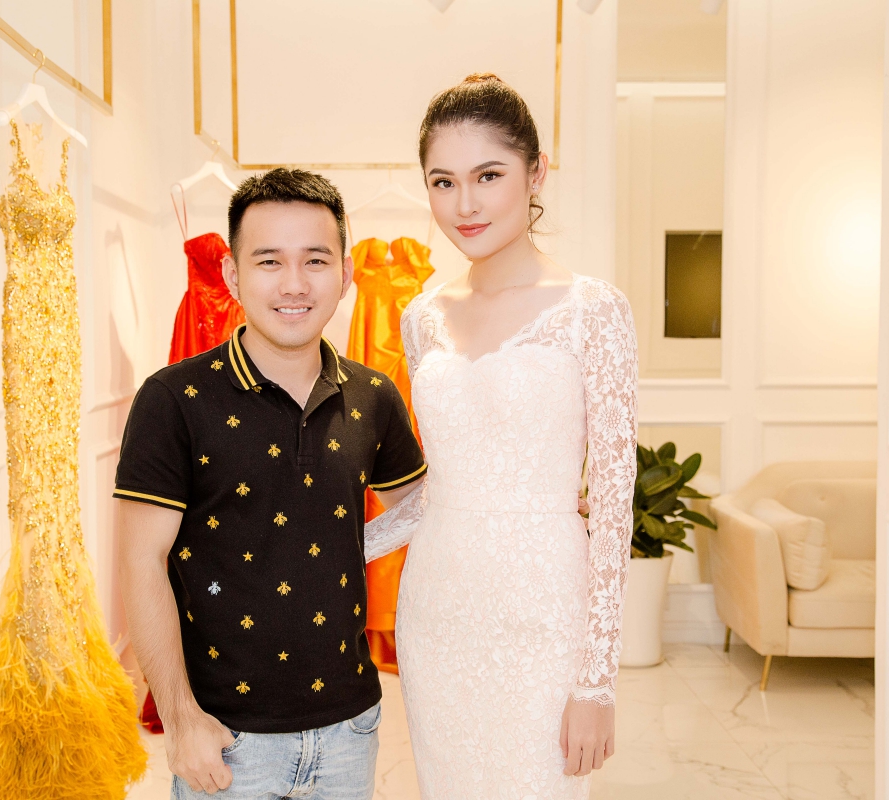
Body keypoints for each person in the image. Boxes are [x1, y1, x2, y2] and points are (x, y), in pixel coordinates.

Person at [363, 74, 639, 799]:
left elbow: (614, 506)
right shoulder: (421, 319)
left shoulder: (594, 311)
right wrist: (331, 547)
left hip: (546, 613)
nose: (465, 204)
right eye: (443, 182)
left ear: (536, 172)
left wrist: (597, 682)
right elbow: (438, 494)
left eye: (488, 175)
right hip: (437, 613)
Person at [115, 169, 428, 799]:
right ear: (232, 276)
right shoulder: (173, 400)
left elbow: (429, 517)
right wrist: (180, 718)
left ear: (345, 274)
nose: (293, 284)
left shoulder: (375, 396)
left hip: (350, 730)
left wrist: (534, 504)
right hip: (226, 740)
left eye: (315, 260)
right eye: (269, 261)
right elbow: (140, 560)